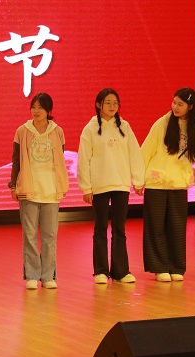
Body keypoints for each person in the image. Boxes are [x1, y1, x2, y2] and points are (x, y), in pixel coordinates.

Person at [77, 88, 145, 285]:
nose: (112, 106)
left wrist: (138, 180)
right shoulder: (90, 129)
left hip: (121, 184)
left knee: (119, 229)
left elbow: (134, 153)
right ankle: (100, 271)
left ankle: (120, 271)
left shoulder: (124, 126)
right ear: (98, 105)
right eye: (108, 102)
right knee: (100, 229)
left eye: (115, 103)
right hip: (99, 185)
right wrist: (86, 187)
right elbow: (84, 159)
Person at [141, 88, 195, 282]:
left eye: (180, 104)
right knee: (156, 226)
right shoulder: (162, 122)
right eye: (174, 102)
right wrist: (138, 179)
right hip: (156, 183)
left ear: (190, 107)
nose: (175, 107)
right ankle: (159, 267)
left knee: (177, 227)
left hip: (179, 184)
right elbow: (146, 151)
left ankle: (176, 266)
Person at [9, 93, 69, 290]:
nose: (36, 111)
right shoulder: (22, 131)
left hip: (51, 190)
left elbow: (60, 160)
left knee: (50, 236)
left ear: (48, 110)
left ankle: (48, 275)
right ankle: (32, 275)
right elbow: (16, 160)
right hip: (29, 189)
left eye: (40, 107)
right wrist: (13, 185)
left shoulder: (57, 132)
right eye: (33, 107)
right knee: (30, 235)